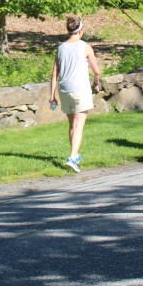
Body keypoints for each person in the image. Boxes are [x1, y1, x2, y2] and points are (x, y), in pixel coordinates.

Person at [49, 16, 102, 173]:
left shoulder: (61, 48)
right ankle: (72, 158)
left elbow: (54, 73)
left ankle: (75, 154)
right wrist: (96, 82)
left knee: (72, 124)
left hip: (64, 90)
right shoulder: (85, 47)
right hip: (80, 89)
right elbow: (97, 71)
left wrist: (52, 95)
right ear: (81, 31)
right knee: (79, 125)